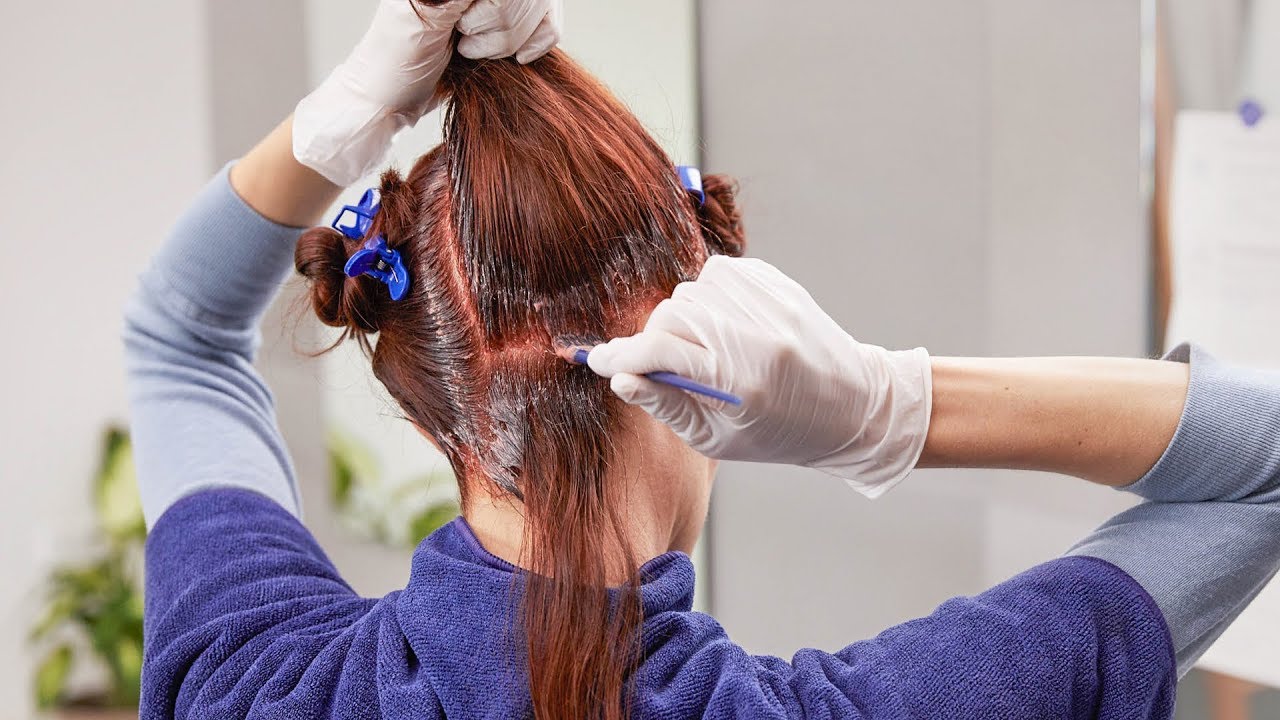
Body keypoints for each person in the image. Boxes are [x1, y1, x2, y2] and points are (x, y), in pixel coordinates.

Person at [126, 2, 1280, 718]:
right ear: (695, 369)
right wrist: (885, 407)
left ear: (432, 394)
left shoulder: (251, 680)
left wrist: (343, 116)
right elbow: (1263, 461)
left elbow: (180, 335)